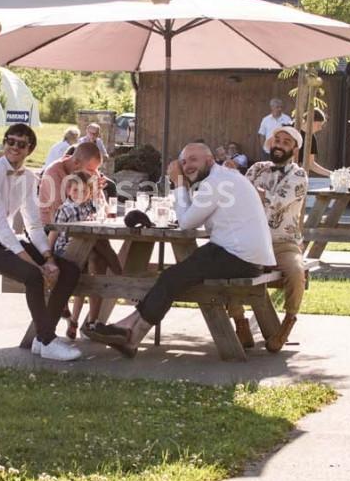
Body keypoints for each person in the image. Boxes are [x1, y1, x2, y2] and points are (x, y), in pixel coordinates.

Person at [84, 143, 275, 357]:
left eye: (194, 159)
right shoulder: (224, 178)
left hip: (239, 256)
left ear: (210, 160)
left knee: (172, 277)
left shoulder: (216, 183)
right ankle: (130, 333)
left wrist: (179, 183)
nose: (187, 165)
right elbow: (195, 216)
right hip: (245, 255)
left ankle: (128, 331)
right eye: (183, 162)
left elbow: (186, 222)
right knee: (174, 277)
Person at [0, 122, 82, 362]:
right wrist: (37, 264)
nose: (14, 147)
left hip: (9, 242)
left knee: (69, 270)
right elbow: (0, 225)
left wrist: (49, 258)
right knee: (34, 275)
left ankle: (43, 339)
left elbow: (33, 224)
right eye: (10, 141)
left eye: (21, 144)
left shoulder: (29, 177)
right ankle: (48, 339)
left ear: (29, 149)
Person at [228, 125, 312, 352]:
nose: (280, 145)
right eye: (277, 140)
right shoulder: (256, 169)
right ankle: (240, 321)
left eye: (286, 142)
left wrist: (253, 192)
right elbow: (237, 196)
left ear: (294, 149)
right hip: (251, 239)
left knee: (296, 271)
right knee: (224, 267)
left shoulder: (299, 175)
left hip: (283, 242)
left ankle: (287, 322)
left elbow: (276, 203)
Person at [53, 172, 121, 338]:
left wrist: (98, 193)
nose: (79, 195)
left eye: (85, 191)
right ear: (69, 191)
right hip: (68, 251)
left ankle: (82, 321)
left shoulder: (89, 205)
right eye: (76, 191)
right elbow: (54, 233)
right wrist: (48, 256)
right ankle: (120, 272)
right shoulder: (65, 210)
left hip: (86, 251)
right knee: (98, 255)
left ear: (90, 192)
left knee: (94, 264)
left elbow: (104, 212)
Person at [38, 141, 104, 225]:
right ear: (76, 163)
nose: (94, 174)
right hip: (52, 228)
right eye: (90, 170)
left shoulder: (91, 172)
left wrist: (96, 194)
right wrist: (91, 195)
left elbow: (103, 209)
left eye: (96, 170)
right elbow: (64, 212)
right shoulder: (54, 172)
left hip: (84, 226)